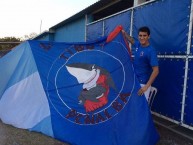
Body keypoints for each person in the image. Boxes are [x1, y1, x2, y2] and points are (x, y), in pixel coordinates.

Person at [122, 26, 159, 101]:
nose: (142, 38)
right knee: (133, 106)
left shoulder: (151, 51)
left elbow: (156, 70)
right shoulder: (138, 45)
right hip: (135, 81)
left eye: (144, 35)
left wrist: (147, 86)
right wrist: (124, 33)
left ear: (149, 36)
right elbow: (132, 40)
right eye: (140, 35)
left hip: (143, 85)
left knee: (141, 109)